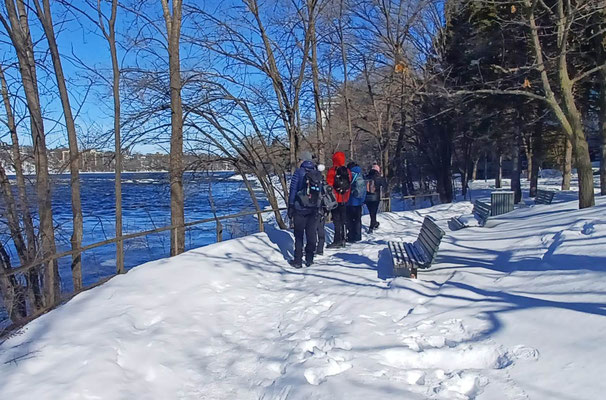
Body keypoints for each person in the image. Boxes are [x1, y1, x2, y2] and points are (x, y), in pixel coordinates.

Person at [287, 151, 322, 268]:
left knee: (299, 235)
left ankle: (297, 260)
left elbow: (293, 190)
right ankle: (309, 258)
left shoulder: (298, 172)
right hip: (314, 208)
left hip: (300, 208)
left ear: (302, 160)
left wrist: (291, 206)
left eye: (299, 159)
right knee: (311, 234)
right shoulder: (317, 173)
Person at [326, 152, 351, 248]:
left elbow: (329, 184)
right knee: (343, 219)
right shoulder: (347, 171)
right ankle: (344, 238)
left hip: (335, 199)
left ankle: (337, 240)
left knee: (336, 220)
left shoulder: (332, 170)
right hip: (345, 198)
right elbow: (349, 184)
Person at [346, 162, 366, 242]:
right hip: (359, 202)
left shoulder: (350, 175)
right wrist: (362, 200)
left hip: (350, 201)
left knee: (350, 220)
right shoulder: (360, 175)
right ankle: (358, 236)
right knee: (358, 220)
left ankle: (351, 236)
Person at [365, 163, 387, 233]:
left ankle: (374, 223)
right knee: (374, 212)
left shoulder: (367, 176)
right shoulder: (379, 177)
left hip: (368, 197)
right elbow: (385, 186)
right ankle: (372, 225)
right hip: (376, 197)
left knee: (371, 211)